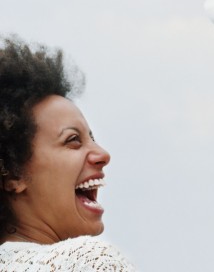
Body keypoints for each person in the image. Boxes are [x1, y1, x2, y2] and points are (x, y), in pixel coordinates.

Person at [0, 36, 135, 271]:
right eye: (73, 140)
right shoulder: (86, 262)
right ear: (13, 173)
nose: (102, 154)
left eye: (92, 138)